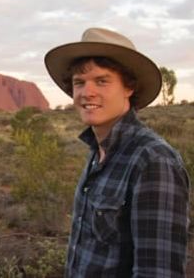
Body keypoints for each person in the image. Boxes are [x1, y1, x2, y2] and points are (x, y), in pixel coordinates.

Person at [44, 27, 190, 277]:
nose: (86, 92)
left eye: (102, 81)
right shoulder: (98, 150)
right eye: (79, 83)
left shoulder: (153, 161)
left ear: (128, 88)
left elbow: (156, 272)